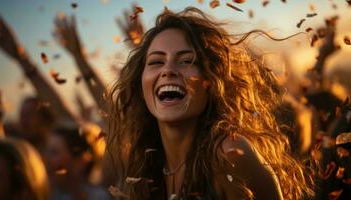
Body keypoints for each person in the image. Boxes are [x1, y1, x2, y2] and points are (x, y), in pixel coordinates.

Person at [105, 7, 313, 199]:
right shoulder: (147, 162)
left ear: (212, 82)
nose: (167, 70)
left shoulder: (229, 154)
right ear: (140, 85)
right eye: (156, 62)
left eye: (187, 60)